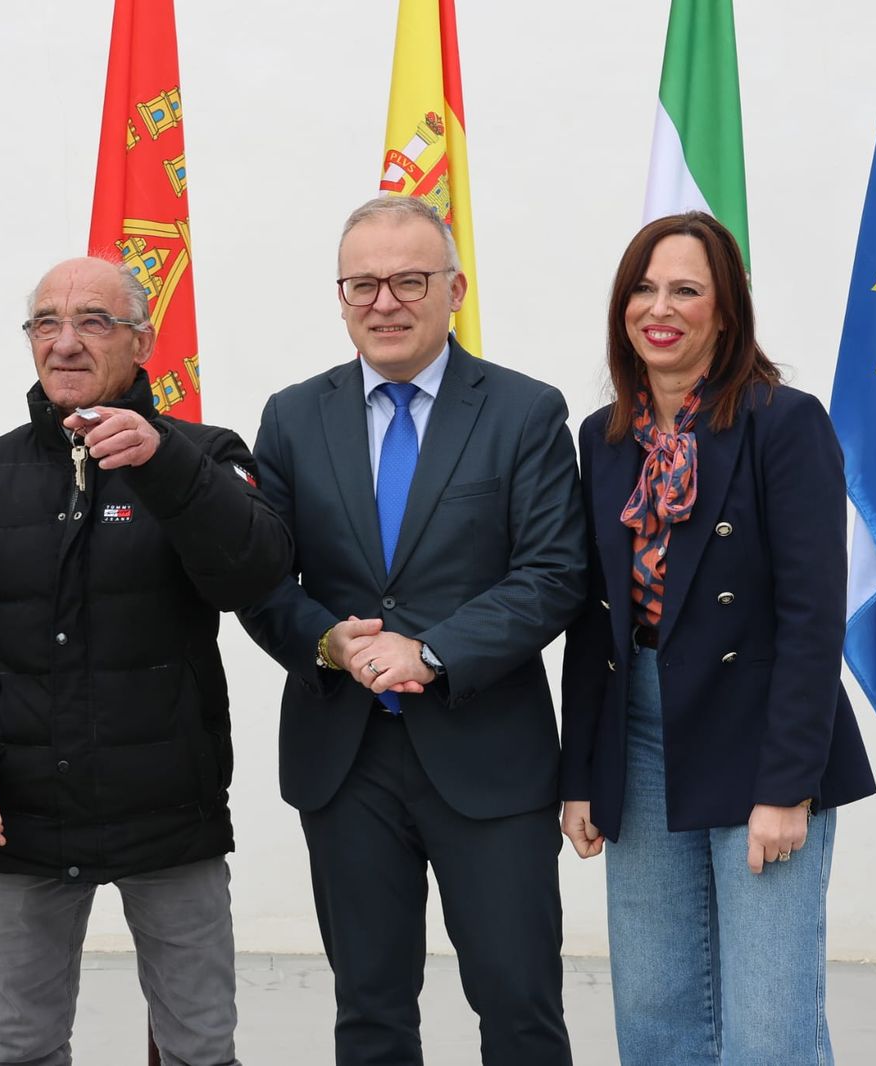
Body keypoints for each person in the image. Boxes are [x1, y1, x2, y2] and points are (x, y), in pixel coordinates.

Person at [0, 256, 291, 1066]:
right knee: (25, 1047)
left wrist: (164, 463)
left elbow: (253, 572)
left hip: (170, 817)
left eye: (94, 322)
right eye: (47, 322)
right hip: (20, 816)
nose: (66, 343)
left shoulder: (204, 455)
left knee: (199, 1049)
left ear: (142, 341)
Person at [238, 197, 588, 1065]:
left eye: (408, 281)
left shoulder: (524, 411)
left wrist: (431, 652)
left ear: (455, 289)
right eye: (363, 284)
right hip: (345, 762)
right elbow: (259, 576)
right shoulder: (291, 416)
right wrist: (328, 642)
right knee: (370, 1009)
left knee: (519, 1006)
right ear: (342, 294)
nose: (384, 302)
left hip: (488, 763)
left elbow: (554, 574)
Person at [559, 211, 876, 1065]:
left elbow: (815, 617)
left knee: (769, 1028)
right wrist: (583, 773)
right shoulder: (605, 438)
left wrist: (786, 785)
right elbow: (597, 619)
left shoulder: (785, 422)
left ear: (726, 311)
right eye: (643, 287)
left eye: (686, 289)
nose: (658, 307)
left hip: (759, 735)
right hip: (642, 739)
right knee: (659, 1017)